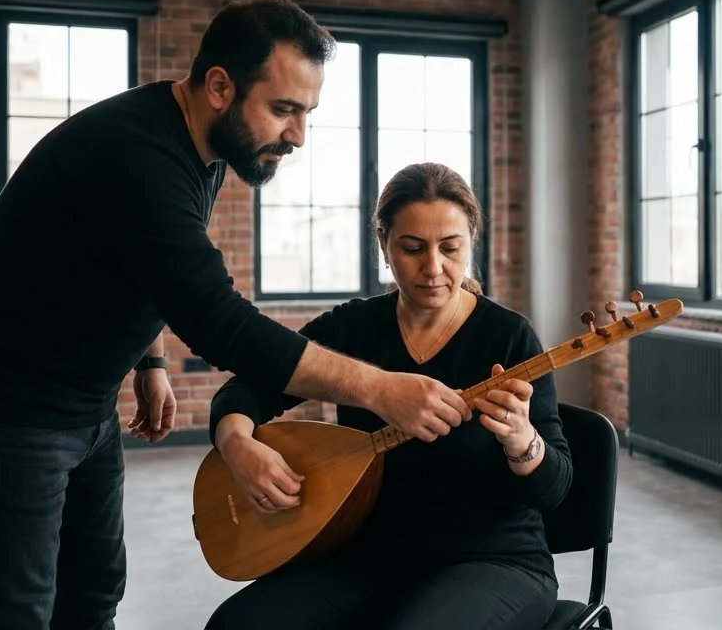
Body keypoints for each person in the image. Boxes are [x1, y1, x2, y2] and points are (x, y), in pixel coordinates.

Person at [0, 0, 474, 630]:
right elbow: (218, 320)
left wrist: (148, 358)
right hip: (1, 409)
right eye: (283, 110)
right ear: (218, 86)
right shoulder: (137, 157)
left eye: (307, 112)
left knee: (93, 596)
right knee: (12, 612)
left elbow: (141, 264)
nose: (297, 136)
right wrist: (380, 388)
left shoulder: (201, 148)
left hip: (84, 401)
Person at [204, 162, 572, 630]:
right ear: (384, 245)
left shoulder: (508, 337)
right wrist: (237, 444)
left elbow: (555, 487)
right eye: (413, 248)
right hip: (366, 557)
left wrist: (523, 442)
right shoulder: (353, 327)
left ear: (470, 244)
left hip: (491, 561)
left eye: (450, 248)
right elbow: (250, 386)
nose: (434, 267)